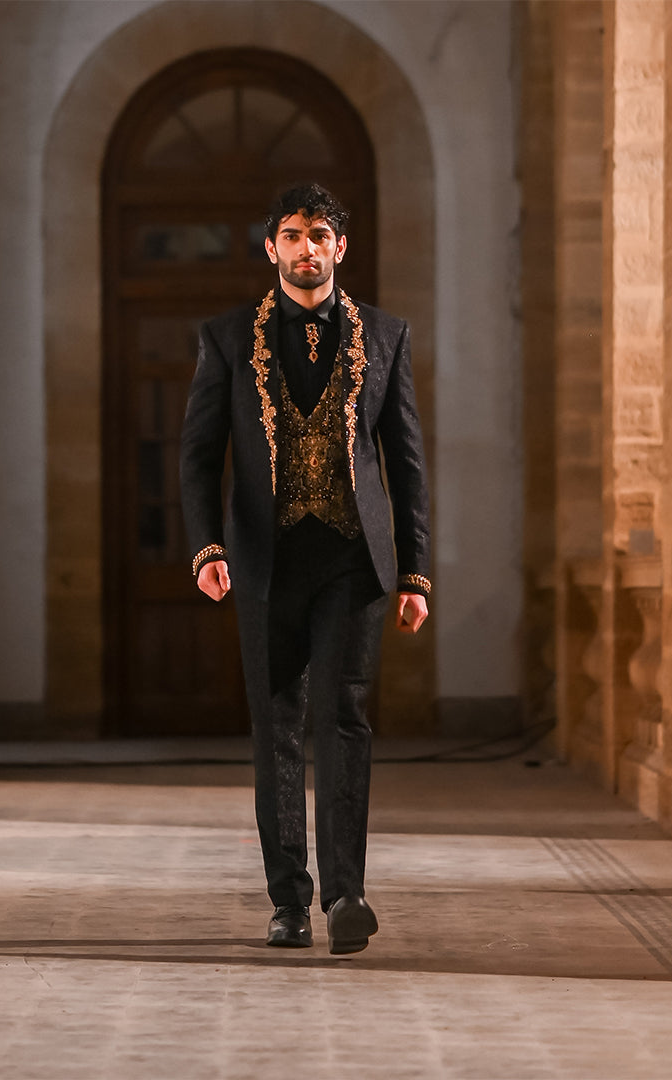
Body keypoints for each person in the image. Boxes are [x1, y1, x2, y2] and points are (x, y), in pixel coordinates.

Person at [179, 183, 431, 955]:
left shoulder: (386, 336)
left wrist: (415, 574)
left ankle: (347, 894)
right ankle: (288, 901)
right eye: (292, 235)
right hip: (267, 560)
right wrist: (206, 547)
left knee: (343, 719)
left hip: (354, 562)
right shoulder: (227, 338)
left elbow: (407, 463)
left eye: (319, 234)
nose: (306, 248)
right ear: (272, 248)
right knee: (278, 727)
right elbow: (198, 455)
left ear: (340, 246)